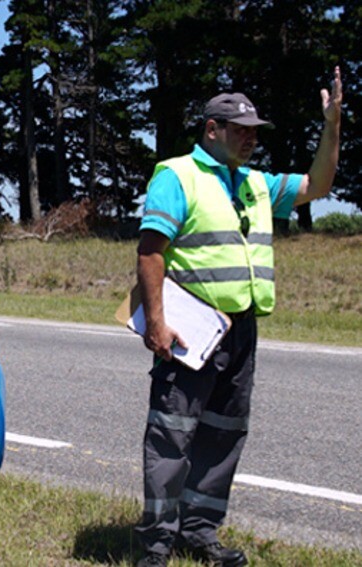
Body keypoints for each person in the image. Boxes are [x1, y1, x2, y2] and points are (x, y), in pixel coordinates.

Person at [134, 66, 342, 567]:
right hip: (190, 331)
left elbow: (318, 183)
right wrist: (157, 323)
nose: (250, 139)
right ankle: (155, 545)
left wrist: (332, 125)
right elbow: (150, 252)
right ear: (212, 129)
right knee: (172, 434)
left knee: (224, 434)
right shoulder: (177, 175)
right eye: (241, 130)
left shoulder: (256, 183)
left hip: (240, 330)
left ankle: (199, 532)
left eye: (254, 131)